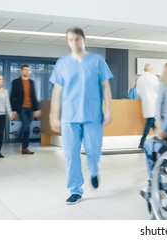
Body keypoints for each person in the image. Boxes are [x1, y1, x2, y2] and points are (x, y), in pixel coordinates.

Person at [49, 27, 113, 205]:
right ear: (67, 41)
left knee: (93, 150)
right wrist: (53, 115)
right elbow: (57, 91)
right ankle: (75, 190)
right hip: (69, 117)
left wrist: (109, 109)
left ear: (84, 39)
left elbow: (106, 86)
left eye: (77, 39)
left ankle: (94, 170)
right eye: (70, 40)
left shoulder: (97, 60)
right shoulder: (62, 63)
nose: (74, 43)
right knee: (71, 154)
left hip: (92, 115)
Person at [10, 64, 41, 155]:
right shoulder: (16, 82)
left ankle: (25, 148)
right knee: (26, 125)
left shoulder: (31, 82)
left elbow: (34, 96)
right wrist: (13, 109)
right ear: (21, 71)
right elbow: (12, 96)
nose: (27, 71)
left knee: (27, 128)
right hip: (21, 107)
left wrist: (36, 109)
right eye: (25, 70)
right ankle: (18, 136)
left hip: (30, 108)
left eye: (28, 70)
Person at [136, 63, 159, 149]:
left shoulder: (140, 79)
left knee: (151, 122)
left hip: (146, 104)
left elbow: (138, 92)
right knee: (150, 123)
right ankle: (142, 142)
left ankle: (160, 138)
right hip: (154, 103)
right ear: (151, 69)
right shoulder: (153, 78)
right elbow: (158, 89)